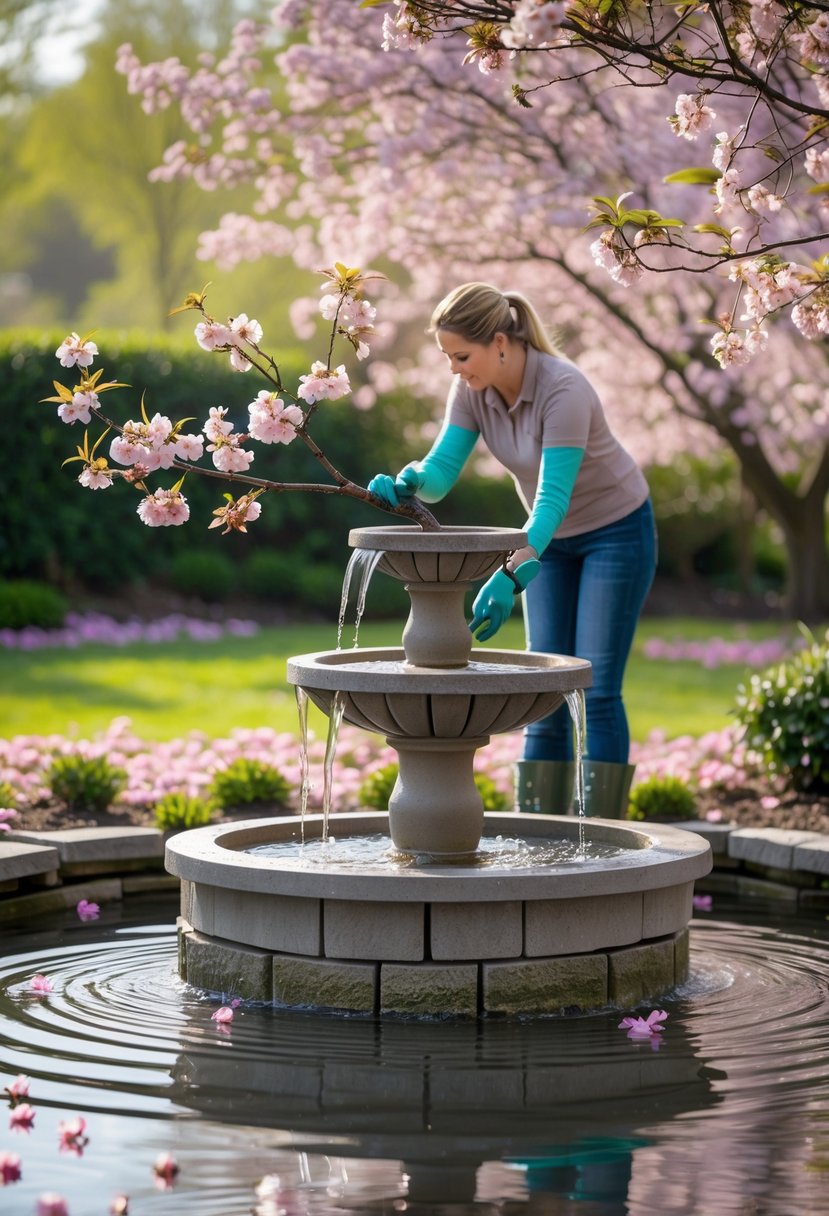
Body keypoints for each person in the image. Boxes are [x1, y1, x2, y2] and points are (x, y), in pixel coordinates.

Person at [368, 282, 657, 817]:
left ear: (499, 342)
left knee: (594, 688)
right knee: (544, 692)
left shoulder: (563, 389)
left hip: (613, 531)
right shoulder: (473, 390)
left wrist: (510, 573)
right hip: (548, 538)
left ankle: (601, 836)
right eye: (447, 357)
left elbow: (551, 499)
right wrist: (409, 481)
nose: (454, 368)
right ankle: (542, 836)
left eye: (461, 356)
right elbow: (441, 472)